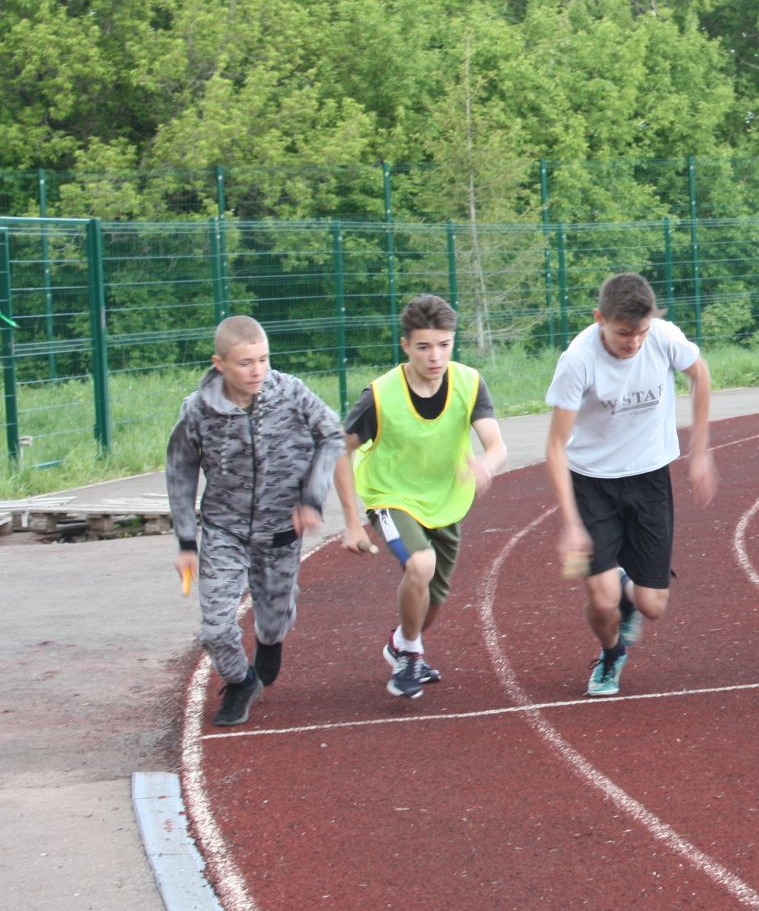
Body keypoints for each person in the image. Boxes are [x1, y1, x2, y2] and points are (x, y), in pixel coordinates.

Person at [166, 316, 344, 727]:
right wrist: (187, 542)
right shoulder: (197, 412)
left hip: (281, 527)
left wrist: (312, 498)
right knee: (214, 628)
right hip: (224, 529)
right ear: (220, 364)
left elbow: (331, 436)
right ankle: (240, 681)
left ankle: (270, 638)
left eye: (263, 359)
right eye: (246, 363)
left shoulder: (291, 394)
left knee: (274, 615)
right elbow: (180, 470)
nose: (257, 370)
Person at [544, 273, 717, 697]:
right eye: (624, 333)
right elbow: (553, 446)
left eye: (640, 332)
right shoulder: (577, 360)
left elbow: (701, 375)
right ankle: (611, 653)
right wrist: (570, 524)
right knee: (601, 603)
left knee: (652, 606)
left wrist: (699, 450)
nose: (634, 342)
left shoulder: (663, 337)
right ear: (600, 318)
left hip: (649, 478)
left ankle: (628, 590)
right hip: (592, 483)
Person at [335, 295, 508, 698]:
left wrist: (486, 465)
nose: (436, 356)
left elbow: (496, 444)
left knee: (432, 599)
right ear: (405, 345)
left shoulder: (468, 382)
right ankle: (411, 654)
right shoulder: (379, 395)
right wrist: (349, 521)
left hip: (445, 501)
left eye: (444, 345)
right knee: (421, 564)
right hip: (390, 495)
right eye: (424, 346)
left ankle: (401, 641)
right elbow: (338, 451)